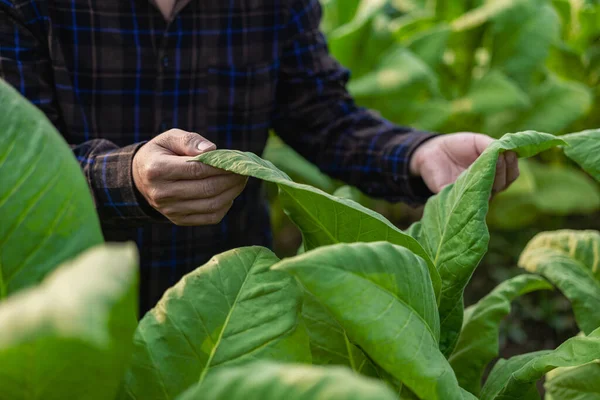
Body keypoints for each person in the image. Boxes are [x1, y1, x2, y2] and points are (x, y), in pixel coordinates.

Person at [0, 0, 519, 314]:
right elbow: (12, 160)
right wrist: (128, 178)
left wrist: (417, 153)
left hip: (231, 304)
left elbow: (319, 112)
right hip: (60, 306)